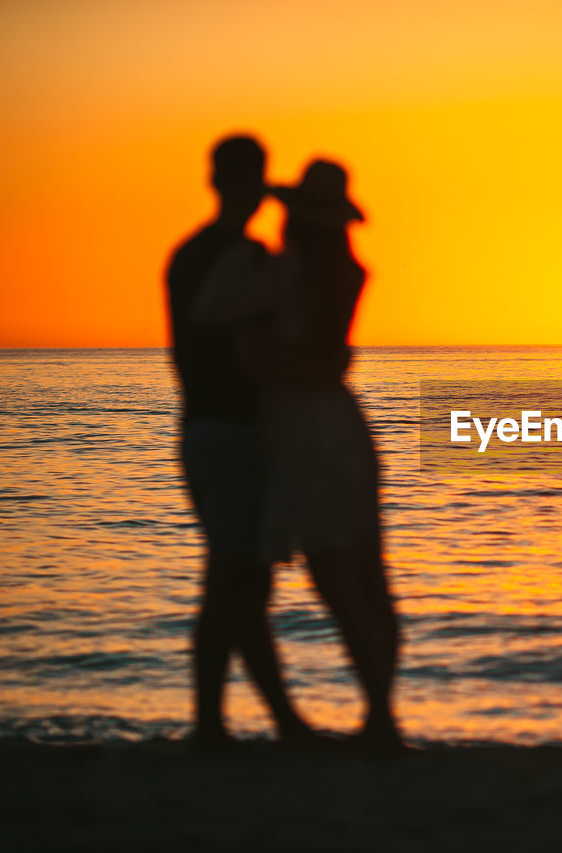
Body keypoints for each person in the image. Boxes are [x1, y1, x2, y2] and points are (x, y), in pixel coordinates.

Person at [194, 159, 400, 746]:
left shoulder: (285, 273)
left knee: (337, 577)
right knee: (368, 577)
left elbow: (211, 312)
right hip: (341, 418)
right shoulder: (348, 270)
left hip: (302, 429)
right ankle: (381, 713)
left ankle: (380, 722)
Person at [165, 134, 314, 747]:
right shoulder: (238, 257)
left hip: (206, 424)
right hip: (230, 430)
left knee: (244, 579)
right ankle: (212, 724)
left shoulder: (190, 253)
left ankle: (272, 721)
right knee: (233, 577)